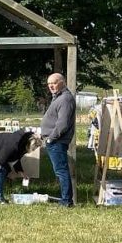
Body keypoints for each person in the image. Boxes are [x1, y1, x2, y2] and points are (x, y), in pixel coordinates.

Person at [40, 72, 76, 206]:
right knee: (60, 171)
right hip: (55, 141)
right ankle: (65, 199)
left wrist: (51, 138)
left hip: (57, 141)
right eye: (49, 84)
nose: (51, 86)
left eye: (54, 83)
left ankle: (66, 201)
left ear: (62, 82)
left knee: (61, 171)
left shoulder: (65, 99)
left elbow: (63, 123)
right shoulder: (58, 97)